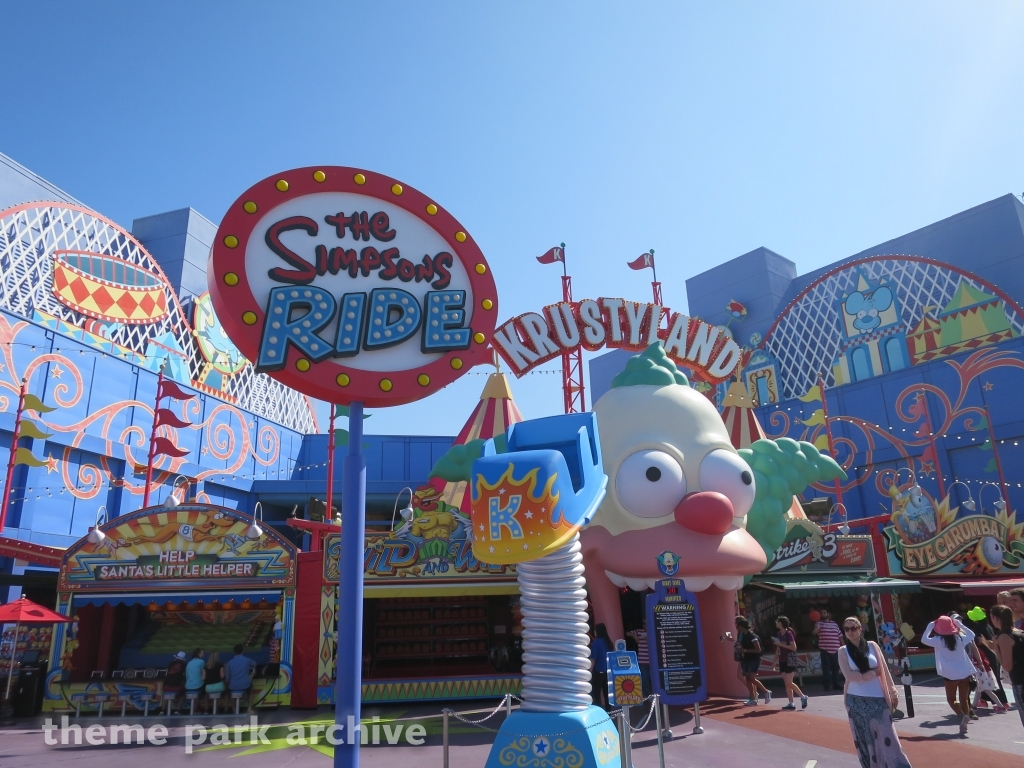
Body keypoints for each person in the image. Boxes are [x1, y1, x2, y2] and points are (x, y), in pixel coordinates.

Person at [837, 616, 911, 768]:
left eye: (853, 628)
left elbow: (883, 670)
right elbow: (850, 676)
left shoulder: (872, 646)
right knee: (865, 739)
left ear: (860, 629)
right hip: (855, 700)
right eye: (846, 629)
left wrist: (892, 690)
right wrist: (871, 673)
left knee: (888, 737)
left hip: (878, 698)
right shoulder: (843, 651)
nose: (850, 632)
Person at [920, 615, 975, 737]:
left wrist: (930, 626)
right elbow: (971, 634)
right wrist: (959, 624)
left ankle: (962, 715)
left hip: (950, 674)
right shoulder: (960, 638)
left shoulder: (938, 641)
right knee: (964, 699)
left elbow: (924, 639)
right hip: (964, 672)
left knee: (951, 699)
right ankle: (965, 719)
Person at [989, 605, 1024, 730]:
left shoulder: (1004, 637)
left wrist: (996, 647)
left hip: (1020, 681)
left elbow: (1007, 666)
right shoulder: (1019, 632)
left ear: (996, 618)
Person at [773, 615, 807, 710]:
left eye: (777, 621)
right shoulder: (779, 634)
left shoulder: (789, 633)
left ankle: (803, 696)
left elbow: (793, 647)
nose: (776, 623)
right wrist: (774, 661)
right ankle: (791, 702)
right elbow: (778, 649)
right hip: (782, 659)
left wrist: (781, 644)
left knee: (789, 682)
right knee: (786, 683)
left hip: (790, 658)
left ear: (781, 623)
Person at [734, 616, 770, 705]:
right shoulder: (743, 635)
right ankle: (753, 699)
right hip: (745, 658)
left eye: (738, 625)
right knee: (747, 678)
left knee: (751, 678)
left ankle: (766, 691)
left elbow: (758, 649)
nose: (737, 627)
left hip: (754, 659)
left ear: (742, 626)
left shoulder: (752, 636)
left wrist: (745, 650)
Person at [813, 610, 844, 692]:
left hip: (836, 649)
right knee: (826, 668)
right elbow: (816, 629)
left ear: (828, 614)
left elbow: (840, 636)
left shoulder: (834, 624)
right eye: (821, 613)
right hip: (825, 649)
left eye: (824, 613)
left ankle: (835, 684)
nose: (823, 614)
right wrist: (815, 630)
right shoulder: (819, 623)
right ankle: (827, 685)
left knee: (835, 668)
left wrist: (844, 647)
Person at [225, 643, 257, 712]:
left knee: (230, 692)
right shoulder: (247, 660)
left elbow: (227, 678)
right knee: (251, 691)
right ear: (242, 651)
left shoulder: (229, 663)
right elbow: (254, 664)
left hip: (233, 686)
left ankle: (233, 708)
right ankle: (249, 708)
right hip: (245, 684)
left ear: (234, 652)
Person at [590, 624, 611, 709]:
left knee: (596, 694)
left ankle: (599, 712)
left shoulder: (596, 642)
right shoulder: (608, 642)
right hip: (607, 672)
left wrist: (590, 671)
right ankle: (609, 712)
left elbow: (593, 658)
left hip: (598, 672)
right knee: (607, 694)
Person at [627, 620, 650, 696]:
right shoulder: (639, 631)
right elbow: (627, 633)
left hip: (652, 661)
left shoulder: (652, 631)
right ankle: (648, 696)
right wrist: (635, 636)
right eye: (644, 624)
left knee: (653, 680)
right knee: (645, 679)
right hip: (642, 660)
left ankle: (654, 695)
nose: (645, 626)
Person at [184, 648, 206, 713]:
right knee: (206, 690)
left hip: (188, 686)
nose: (203, 655)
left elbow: (187, 676)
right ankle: (204, 709)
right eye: (202, 653)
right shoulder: (202, 662)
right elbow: (204, 675)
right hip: (197, 685)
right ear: (198, 654)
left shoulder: (189, 663)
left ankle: (195, 708)